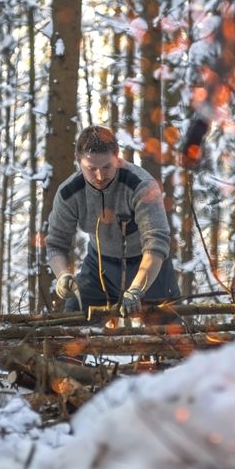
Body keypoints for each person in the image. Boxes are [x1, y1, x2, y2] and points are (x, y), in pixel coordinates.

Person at [46, 126, 181, 323]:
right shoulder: (69, 193)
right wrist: (62, 275)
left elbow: (156, 243)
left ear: (117, 157)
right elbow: (56, 243)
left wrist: (137, 288)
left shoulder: (141, 185)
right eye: (91, 169)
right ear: (79, 162)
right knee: (73, 322)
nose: (100, 176)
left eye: (107, 167)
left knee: (171, 334)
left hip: (148, 266)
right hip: (99, 266)